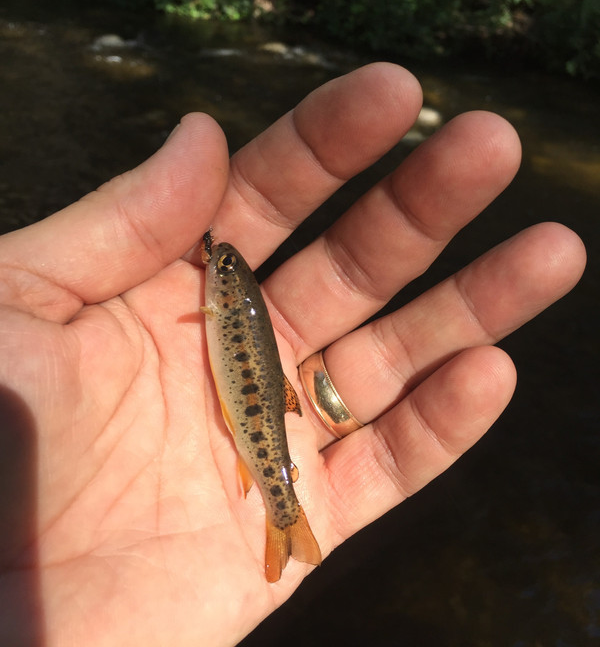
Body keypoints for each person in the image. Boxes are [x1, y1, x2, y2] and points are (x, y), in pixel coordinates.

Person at [0, 63, 586, 646]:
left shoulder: (223, 303)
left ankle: (284, 517)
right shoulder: (225, 301)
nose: (218, 270)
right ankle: (285, 515)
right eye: (225, 269)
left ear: (226, 295)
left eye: (223, 271)